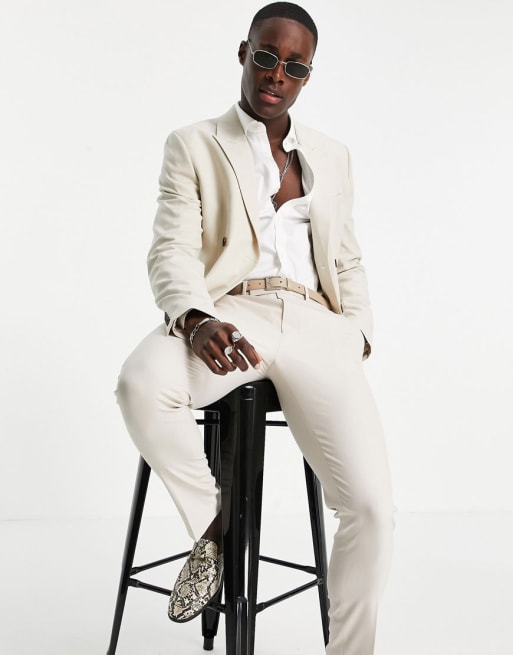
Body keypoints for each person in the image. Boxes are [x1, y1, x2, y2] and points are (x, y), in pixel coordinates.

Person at [116, 3, 394, 653]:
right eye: (266, 57)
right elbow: (171, 248)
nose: (276, 74)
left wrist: (356, 334)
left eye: (294, 66)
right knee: (140, 385)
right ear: (244, 53)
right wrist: (195, 317)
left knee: (371, 510)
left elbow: (346, 258)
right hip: (233, 312)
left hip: (317, 324)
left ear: (307, 76)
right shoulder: (193, 143)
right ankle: (213, 533)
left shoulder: (332, 155)